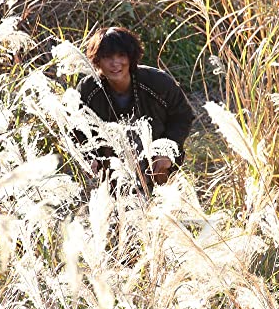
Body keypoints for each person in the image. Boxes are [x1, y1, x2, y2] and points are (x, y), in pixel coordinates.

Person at [77, 26, 194, 192]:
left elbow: (183, 116)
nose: (115, 63)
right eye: (107, 57)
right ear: (97, 60)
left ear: (131, 58)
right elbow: (77, 127)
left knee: (161, 181)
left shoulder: (158, 83)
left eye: (121, 56)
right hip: (112, 164)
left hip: (156, 156)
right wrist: (89, 157)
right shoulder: (89, 89)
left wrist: (166, 150)